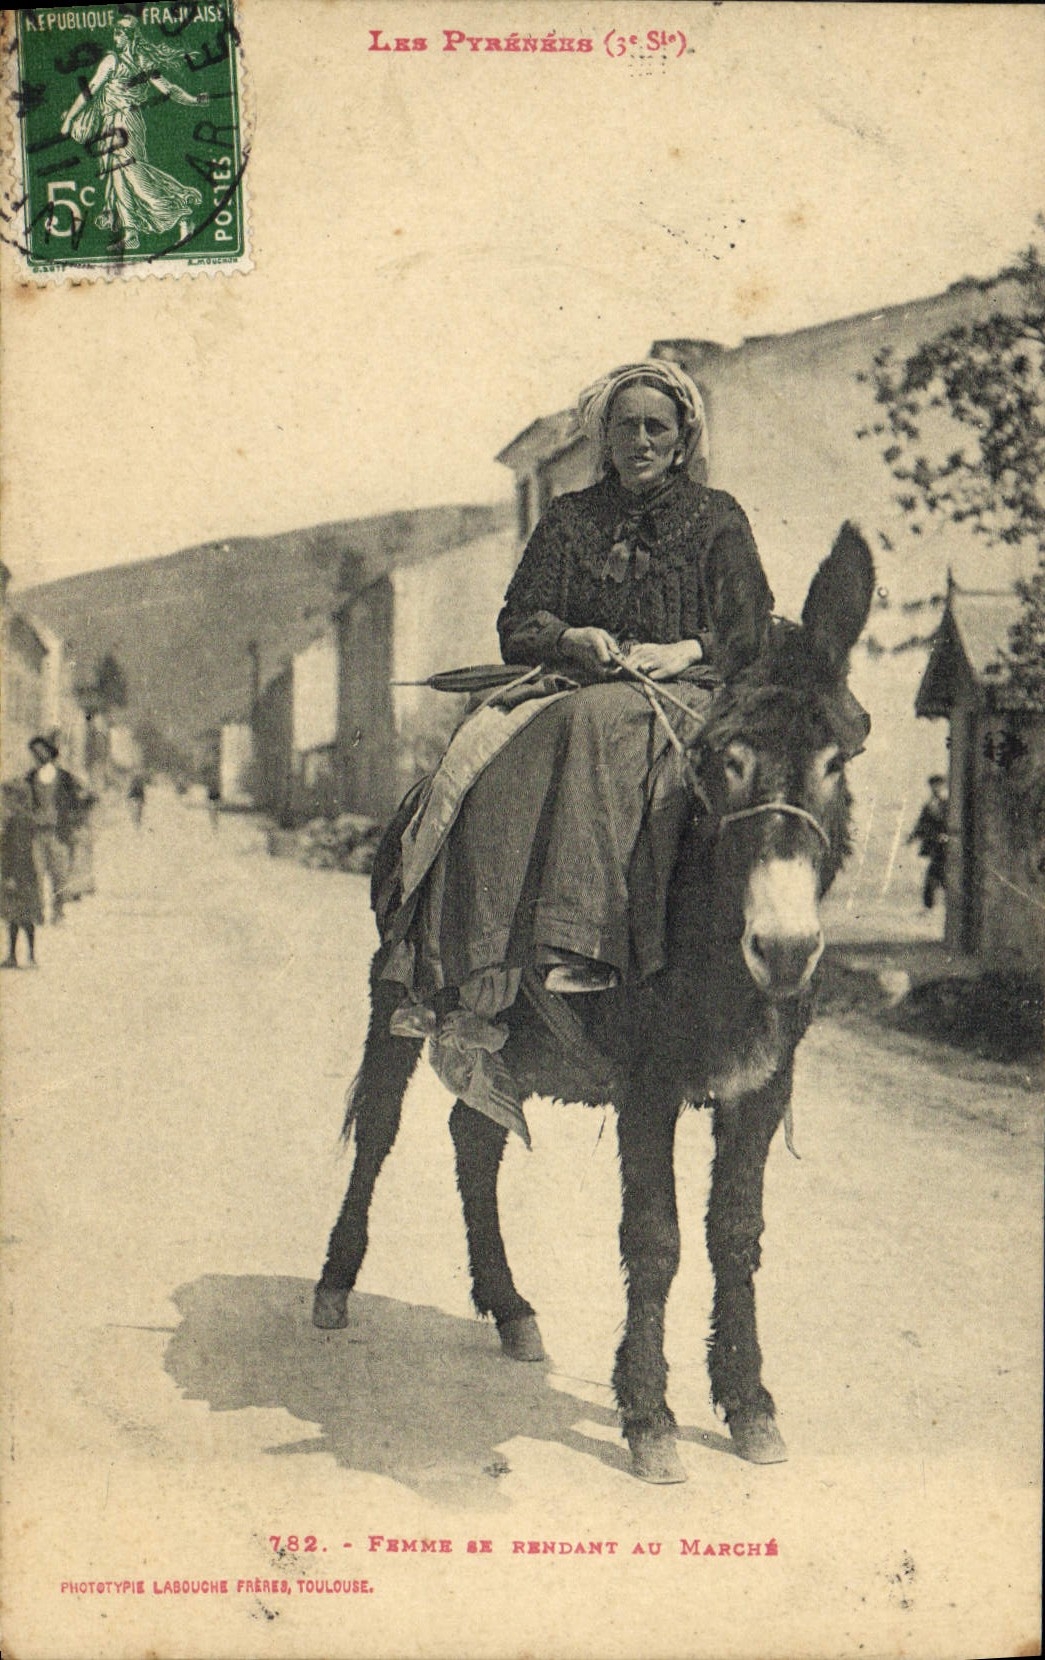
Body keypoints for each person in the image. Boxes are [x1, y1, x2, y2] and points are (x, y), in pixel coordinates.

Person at [379, 362, 775, 1125]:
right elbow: (517, 624)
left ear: (683, 436)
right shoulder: (567, 520)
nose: (639, 441)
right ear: (603, 438)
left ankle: (630, 948)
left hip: (689, 691)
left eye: (654, 426)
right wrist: (571, 636)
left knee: (640, 742)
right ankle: (464, 969)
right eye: (623, 427)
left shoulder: (718, 516)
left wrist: (683, 651)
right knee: (480, 760)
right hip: (580, 686)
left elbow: (750, 628)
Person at [59, 15, 211, 253]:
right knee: (119, 179)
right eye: (115, 33)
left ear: (130, 36)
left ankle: (182, 214)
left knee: (134, 174)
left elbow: (168, 89)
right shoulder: (112, 60)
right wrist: (70, 117)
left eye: (119, 34)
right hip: (110, 123)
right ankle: (131, 233)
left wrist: (194, 100)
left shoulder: (141, 60)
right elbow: (90, 91)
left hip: (127, 122)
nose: (115, 37)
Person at [25, 735, 81, 923]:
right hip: (36, 832)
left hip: (58, 832)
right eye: (35, 752)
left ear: (50, 752)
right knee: (36, 873)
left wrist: (72, 822)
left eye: (42, 751)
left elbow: (76, 802)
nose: (39, 755)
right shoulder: (31, 777)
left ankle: (58, 911)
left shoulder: (64, 777)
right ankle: (38, 912)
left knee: (59, 874)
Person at [1, 781, 43, 968]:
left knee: (20, 916)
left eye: (7, 797)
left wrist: (11, 876)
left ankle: (22, 956)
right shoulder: (24, 819)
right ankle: (21, 956)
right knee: (19, 917)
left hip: (20, 875)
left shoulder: (18, 821)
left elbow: (18, 851)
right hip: (26, 874)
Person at [909, 774, 949, 909]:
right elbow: (922, 823)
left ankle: (930, 903)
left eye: (938, 785)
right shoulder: (929, 804)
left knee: (937, 873)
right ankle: (929, 903)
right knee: (937, 872)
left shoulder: (947, 804)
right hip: (935, 845)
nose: (935, 788)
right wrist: (913, 837)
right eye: (933, 786)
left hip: (945, 844)